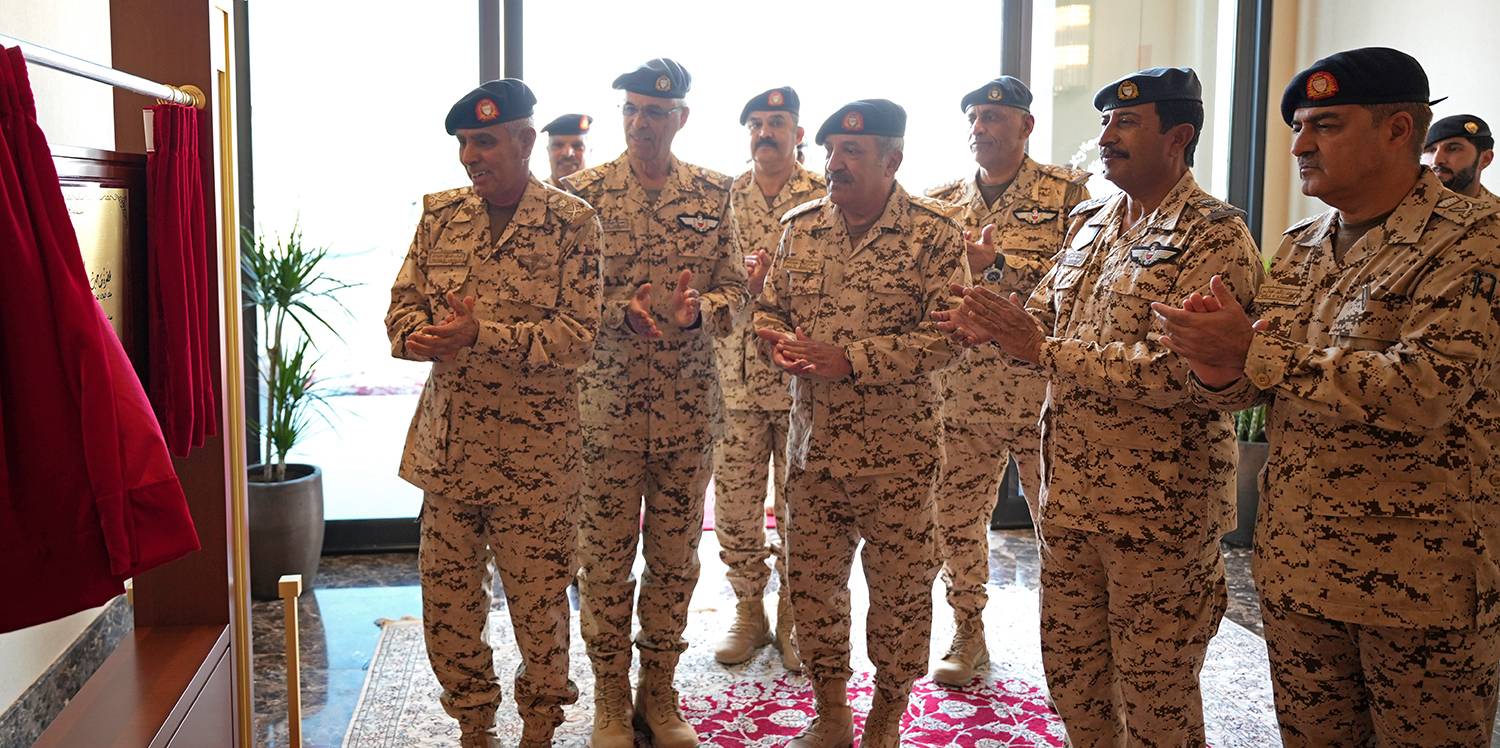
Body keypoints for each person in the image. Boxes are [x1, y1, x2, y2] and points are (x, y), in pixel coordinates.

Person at [1153, 46, 1500, 746]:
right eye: (1298, 127)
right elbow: (1259, 386)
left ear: (1398, 130)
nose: (1300, 146)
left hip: (1419, 584)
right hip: (1298, 569)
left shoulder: (1474, 242)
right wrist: (1213, 361)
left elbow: (1424, 389)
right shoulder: (1302, 243)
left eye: (1327, 125)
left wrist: (1252, 352)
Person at [937, 67, 1263, 746]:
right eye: (1106, 122)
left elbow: (1184, 372)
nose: (1107, 136)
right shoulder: (1092, 223)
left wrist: (1040, 349)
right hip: (1071, 501)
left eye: (1127, 123)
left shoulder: (1214, 237)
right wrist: (992, 322)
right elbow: (1042, 314)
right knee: (1075, 681)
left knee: (1156, 698)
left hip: (1158, 514)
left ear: (1178, 136)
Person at [385, 79, 602, 748]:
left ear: (525, 140)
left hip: (536, 461)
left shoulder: (573, 223)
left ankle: (539, 726)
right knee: (448, 605)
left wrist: (483, 335)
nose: (469, 157)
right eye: (462, 144)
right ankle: (474, 726)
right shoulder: (440, 215)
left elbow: (577, 338)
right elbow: (401, 309)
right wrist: (418, 337)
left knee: (539, 608)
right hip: (449, 452)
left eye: (483, 142)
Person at [753, 99, 968, 748]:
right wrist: (774, 343)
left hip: (897, 459)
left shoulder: (934, 234)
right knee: (813, 591)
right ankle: (832, 713)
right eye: (830, 152)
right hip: (812, 454)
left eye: (852, 152)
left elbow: (949, 338)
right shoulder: (800, 228)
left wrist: (853, 360)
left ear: (891, 159)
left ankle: (885, 719)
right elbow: (769, 309)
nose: (834, 164)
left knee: (899, 597)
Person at [561, 57, 748, 748]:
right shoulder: (583, 195)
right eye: (632, 109)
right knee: (604, 563)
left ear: (681, 118)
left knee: (674, 562)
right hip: (604, 414)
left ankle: (659, 693)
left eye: (656, 112)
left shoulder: (714, 192)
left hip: (686, 414)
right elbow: (566, 299)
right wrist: (620, 311)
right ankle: (611, 697)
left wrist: (701, 310)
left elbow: (737, 289)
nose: (641, 122)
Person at [923, 76, 1090, 687]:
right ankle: (968, 630)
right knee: (955, 520)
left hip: (1040, 395)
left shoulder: (1069, 194)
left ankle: (1072, 648)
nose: (980, 126)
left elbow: (1077, 281)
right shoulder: (940, 203)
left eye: (993, 115)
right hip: (961, 396)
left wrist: (997, 265)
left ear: (1026, 125)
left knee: (1061, 527)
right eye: (973, 116)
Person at [711, 85, 826, 672]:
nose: (764, 132)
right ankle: (748, 609)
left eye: (776, 122)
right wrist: (742, 286)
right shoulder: (725, 198)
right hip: (734, 385)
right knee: (735, 508)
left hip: (799, 382)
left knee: (801, 508)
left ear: (798, 133)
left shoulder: (824, 197)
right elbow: (708, 282)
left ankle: (793, 615)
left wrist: (774, 286)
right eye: (755, 123)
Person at [1422, 113, 1496, 202]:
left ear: (1485, 159)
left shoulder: (1495, 210)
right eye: (1431, 150)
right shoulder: (1407, 206)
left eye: (1453, 149)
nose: (1436, 160)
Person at [540, 112, 591, 187]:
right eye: (558, 145)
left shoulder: (604, 193)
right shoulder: (531, 193)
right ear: (548, 151)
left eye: (577, 146)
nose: (567, 154)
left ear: (590, 152)